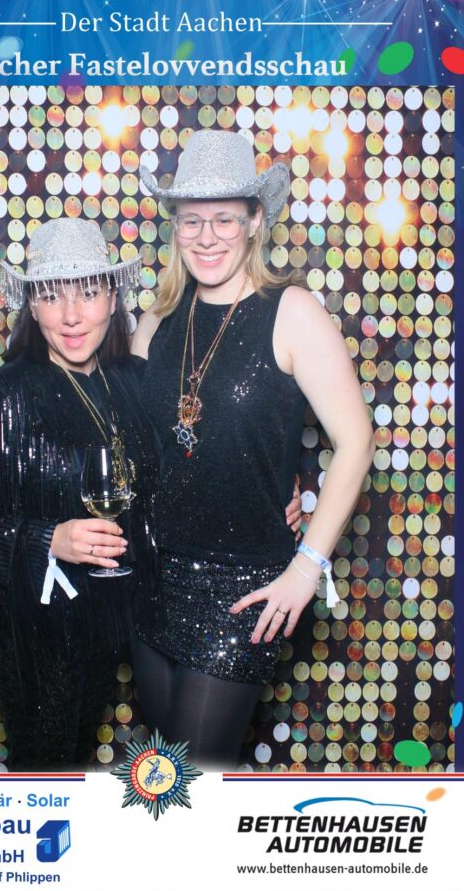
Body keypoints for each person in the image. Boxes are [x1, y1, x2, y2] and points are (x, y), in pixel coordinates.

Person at [131, 129, 375, 768]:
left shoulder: (291, 311)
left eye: (224, 219)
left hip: (242, 587)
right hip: (153, 579)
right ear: (175, 227)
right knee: (160, 777)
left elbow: (356, 441)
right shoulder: (157, 321)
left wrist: (307, 566)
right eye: (192, 220)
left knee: (190, 778)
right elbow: (141, 444)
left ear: (254, 221)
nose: (206, 236)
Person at [0, 218, 160, 770]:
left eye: (88, 292)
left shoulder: (132, 381)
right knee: (48, 770)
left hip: (116, 622)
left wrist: (279, 495)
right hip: (39, 640)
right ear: (32, 309)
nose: (72, 315)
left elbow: (186, 462)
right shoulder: (1, 396)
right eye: (52, 296)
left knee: (80, 767)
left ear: (113, 299)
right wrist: (47, 540)